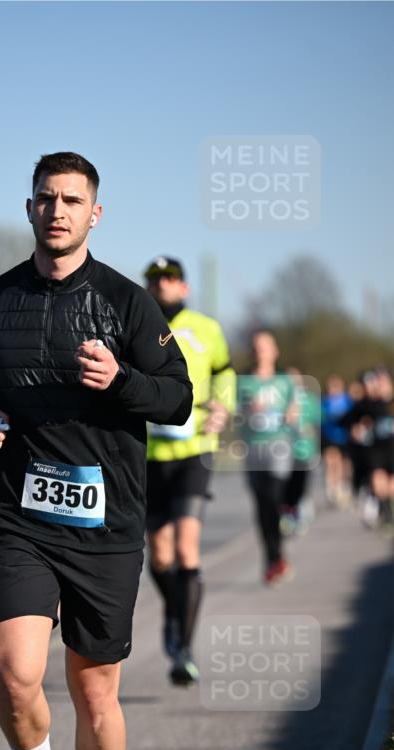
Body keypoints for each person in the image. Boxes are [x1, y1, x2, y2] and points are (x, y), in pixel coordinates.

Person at [0, 152, 192, 750]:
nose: (58, 211)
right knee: (13, 669)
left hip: (105, 524)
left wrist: (121, 380)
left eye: (72, 201)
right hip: (16, 513)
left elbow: (178, 398)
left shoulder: (125, 303)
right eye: (46, 199)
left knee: (93, 690)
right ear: (29, 209)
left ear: (94, 214)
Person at [143, 257, 235, 685]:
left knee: (186, 549)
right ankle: (174, 609)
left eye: (169, 278)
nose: (161, 284)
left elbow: (224, 372)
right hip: (150, 453)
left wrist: (223, 408)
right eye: (154, 279)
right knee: (160, 556)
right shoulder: (136, 323)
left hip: (196, 450)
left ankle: (184, 649)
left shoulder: (206, 328)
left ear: (184, 286)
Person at [237, 330, 297, 584]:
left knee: (273, 497)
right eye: (256, 347)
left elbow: (295, 411)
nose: (260, 352)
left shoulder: (285, 382)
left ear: (275, 351)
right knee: (262, 505)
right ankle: (272, 557)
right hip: (254, 448)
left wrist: (289, 414)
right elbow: (235, 415)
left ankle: (277, 553)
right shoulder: (243, 383)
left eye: (265, 347)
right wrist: (248, 411)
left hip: (278, 447)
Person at [342, 368, 394, 532]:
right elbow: (348, 423)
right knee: (379, 481)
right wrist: (355, 430)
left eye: (383, 381)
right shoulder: (365, 404)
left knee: (391, 487)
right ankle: (386, 516)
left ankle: (384, 508)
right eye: (377, 381)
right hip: (375, 449)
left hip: (392, 448)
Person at [280, 368, 321, 536]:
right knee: (283, 485)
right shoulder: (279, 400)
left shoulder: (310, 400)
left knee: (301, 485)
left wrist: (310, 431)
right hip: (283, 451)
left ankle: (300, 513)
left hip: (305, 450)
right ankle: (287, 515)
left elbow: (317, 422)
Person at [320, 374, 352, 508]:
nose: (333, 389)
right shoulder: (324, 402)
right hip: (329, 437)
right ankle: (331, 487)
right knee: (332, 461)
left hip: (344, 437)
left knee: (343, 464)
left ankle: (341, 484)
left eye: (336, 386)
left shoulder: (348, 401)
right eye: (331, 387)